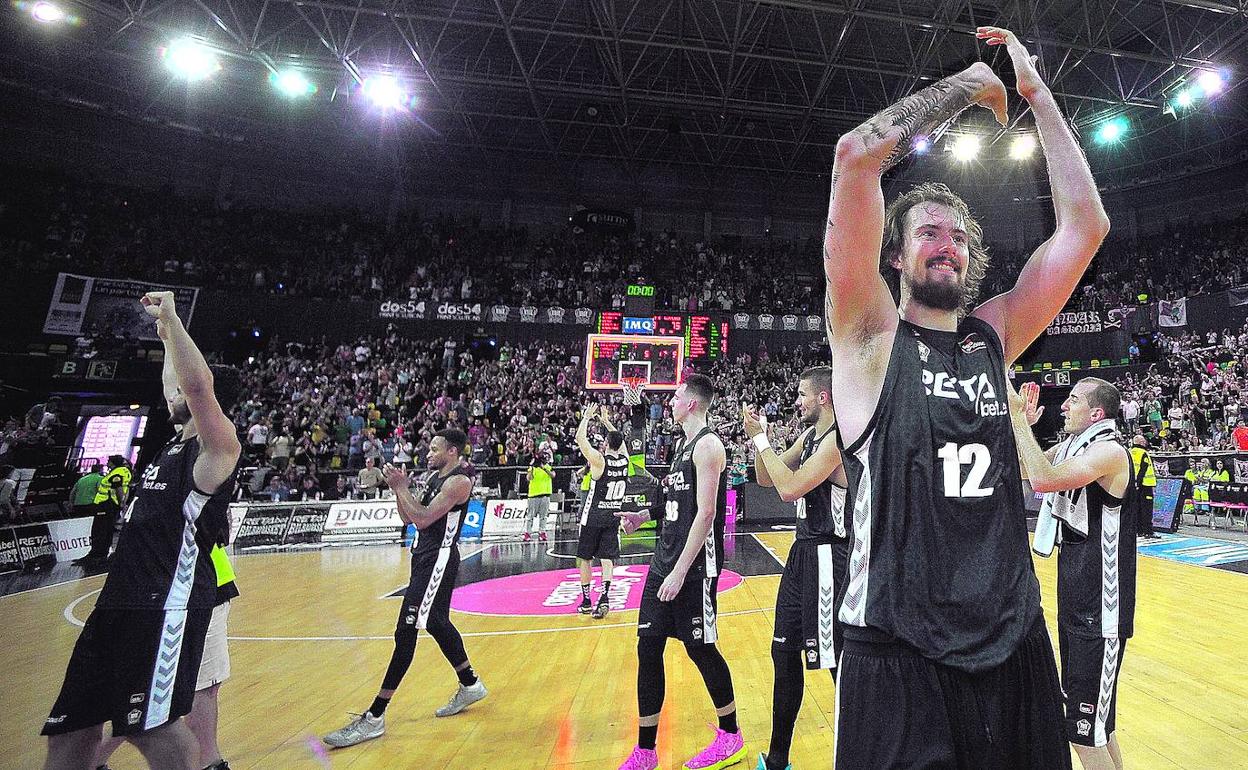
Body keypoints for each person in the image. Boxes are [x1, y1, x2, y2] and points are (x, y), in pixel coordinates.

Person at [821, 25, 1107, 769]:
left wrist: (1037, 95)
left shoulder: (994, 334)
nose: (944, 242)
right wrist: (967, 87)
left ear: (972, 257)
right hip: (896, 650)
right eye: (926, 232)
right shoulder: (868, 336)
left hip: (1013, 641)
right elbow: (855, 155)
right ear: (896, 254)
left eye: (957, 234)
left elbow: (1086, 226)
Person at [42, 291, 243, 770]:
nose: (170, 389)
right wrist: (165, 334)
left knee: (154, 728)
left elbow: (197, 389)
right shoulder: (171, 446)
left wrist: (174, 321)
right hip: (115, 605)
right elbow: (180, 384)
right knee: (71, 731)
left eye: (179, 385)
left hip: (163, 606)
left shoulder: (216, 452)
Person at [322, 429, 486, 749]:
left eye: (435, 449)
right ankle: (470, 683)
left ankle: (375, 716)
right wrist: (400, 489)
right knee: (437, 622)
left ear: (452, 452)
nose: (428, 453)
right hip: (422, 556)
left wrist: (401, 486)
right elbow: (408, 517)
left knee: (405, 632)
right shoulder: (435, 477)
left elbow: (423, 519)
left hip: (438, 560)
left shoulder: (459, 481)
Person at [615, 374, 745, 770]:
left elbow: (706, 514)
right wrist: (643, 515)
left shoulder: (708, 446)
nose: (669, 401)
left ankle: (731, 735)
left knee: (700, 648)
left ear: (691, 402)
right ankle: (646, 751)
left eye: (674, 396)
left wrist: (679, 572)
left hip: (694, 569)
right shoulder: (681, 447)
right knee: (648, 647)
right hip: (664, 562)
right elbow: (674, 501)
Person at [1009, 378, 1136, 770]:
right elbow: (1025, 470)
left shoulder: (1110, 453)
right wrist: (1020, 428)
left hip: (1101, 609)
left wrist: (1019, 422)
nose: (1063, 406)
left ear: (1097, 413)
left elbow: (1045, 479)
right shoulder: (1074, 448)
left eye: (1073, 400)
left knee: (1081, 732)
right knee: (1100, 728)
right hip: (1079, 603)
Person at [742, 365, 848, 770]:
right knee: (783, 654)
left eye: (802, 394)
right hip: (802, 553)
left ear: (823, 397)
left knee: (835, 663)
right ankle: (778, 759)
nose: (797, 401)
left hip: (829, 555)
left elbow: (788, 490)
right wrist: (761, 441)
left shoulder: (838, 440)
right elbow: (765, 478)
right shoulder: (808, 436)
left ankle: (861, 753)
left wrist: (760, 440)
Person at [94, 545, 241, 770]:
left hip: (188, 584)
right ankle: (208, 762)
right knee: (192, 688)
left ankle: (92, 760)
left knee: (155, 692)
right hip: (192, 585)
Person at [572, 404, 628, 619]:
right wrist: (606, 422)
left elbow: (580, 439)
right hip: (612, 517)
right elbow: (619, 441)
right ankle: (604, 597)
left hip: (593, 516)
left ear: (605, 444)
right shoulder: (624, 460)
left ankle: (586, 600)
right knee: (607, 558)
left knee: (585, 558)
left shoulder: (599, 461)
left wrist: (586, 418)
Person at [79, 456, 133, 566]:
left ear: (112, 463)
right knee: (106, 530)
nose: (107, 463)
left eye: (109, 461)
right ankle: (102, 555)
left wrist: (121, 503)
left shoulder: (117, 473)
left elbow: (119, 489)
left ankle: (96, 555)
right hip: (111, 505)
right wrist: (123, 503)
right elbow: (126, 488)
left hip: (106, 504)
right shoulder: (124, 472)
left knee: (99, 530)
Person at [1129, 436, 1158, 538]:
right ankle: (1148, 531)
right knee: (1146, 509)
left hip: (1133, 484)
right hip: (1145, 485)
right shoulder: (1143, 453)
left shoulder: (1129, 452)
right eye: (1144, 441)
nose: (1145, 442)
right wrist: (1139, 483)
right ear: (1141, 442)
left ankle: (1139, 530)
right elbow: (1143, 469)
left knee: (1137, 508)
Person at [524, 450, 553, 542]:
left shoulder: (548, 467)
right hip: (534, 495)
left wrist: (544, 468)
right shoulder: (533, 468)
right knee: (530, 516)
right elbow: (529, 478)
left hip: (545, 495)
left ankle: (542, 532)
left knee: (543, 516)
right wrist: (531, 467)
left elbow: (553, 475)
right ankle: (528, 533)